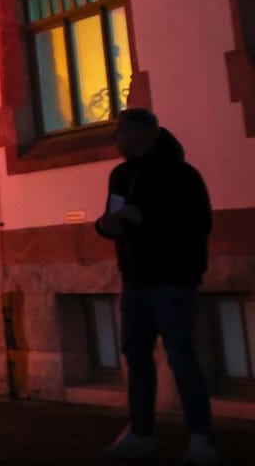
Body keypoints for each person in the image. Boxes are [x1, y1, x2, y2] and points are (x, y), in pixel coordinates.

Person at [95, 109, 217, 466]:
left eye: (120, 133)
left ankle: (201, 436)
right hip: (135, 281)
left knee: (182, 358)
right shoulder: (120, 175)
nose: (115, 139)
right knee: (135, 355)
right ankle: (141, 431)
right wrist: (107, 225)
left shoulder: (182, 176)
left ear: (139, 135)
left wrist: (145, 220)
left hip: (173, 281)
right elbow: (111, 220)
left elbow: (197, 226)